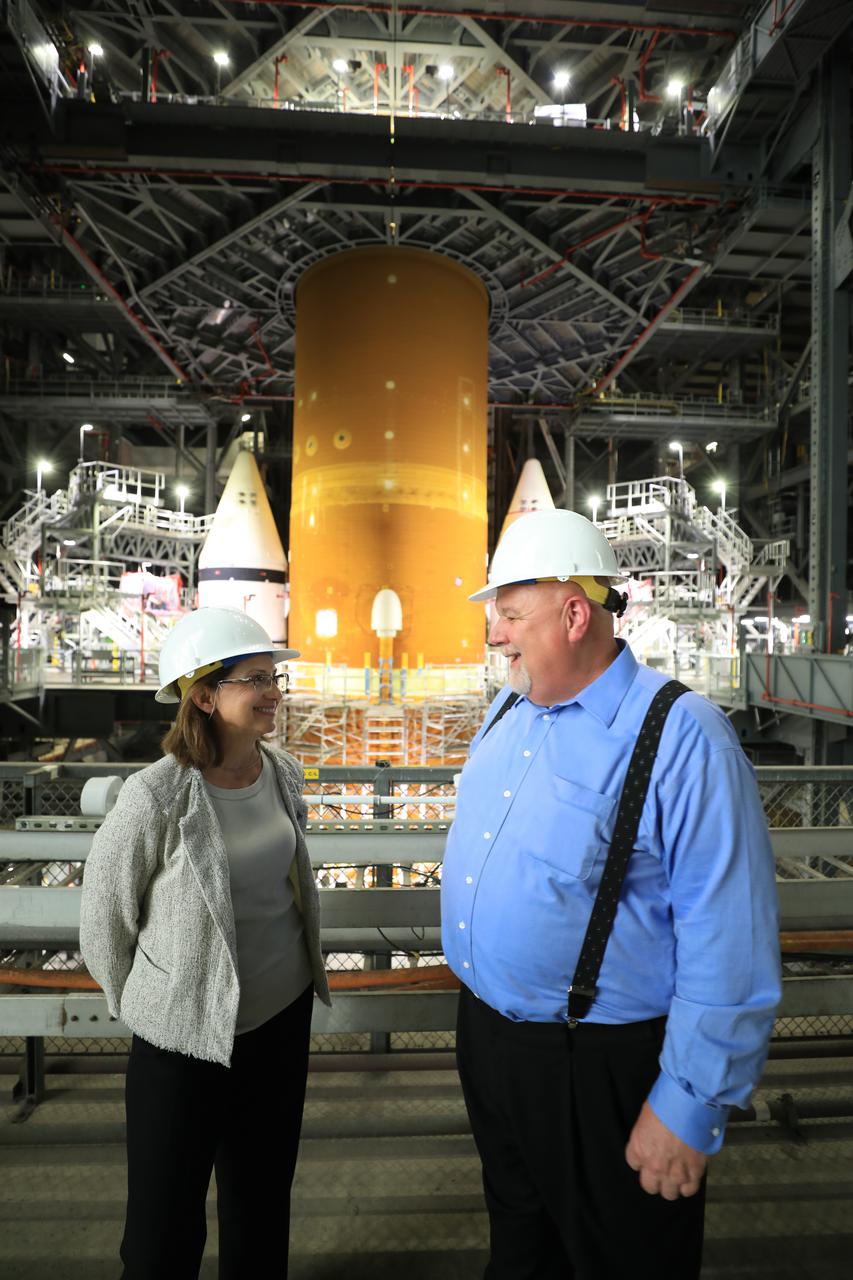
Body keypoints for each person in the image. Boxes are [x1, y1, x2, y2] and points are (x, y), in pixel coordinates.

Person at [441, 509, 782, 1280]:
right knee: (522, 1251)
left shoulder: (681, 735)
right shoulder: (508, 710)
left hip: (597, 1066)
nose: (493, 633)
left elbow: (727, 937)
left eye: (509, 612)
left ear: (572, 614)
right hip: (491, 1044)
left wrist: (687, 1104)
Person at [80, 606, 330, 1280]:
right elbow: (103, 919)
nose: (273, 691)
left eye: (274, 677)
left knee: (259, 1203)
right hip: (182, 1037)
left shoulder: (281, 775)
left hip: (279, 1022)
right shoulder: (154, 796)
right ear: (204, 696)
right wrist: (149, 1001)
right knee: (163, 1227)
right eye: (256, 678)